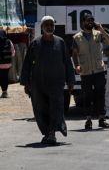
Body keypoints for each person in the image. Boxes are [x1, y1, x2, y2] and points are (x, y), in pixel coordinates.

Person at [20, 16, 75, 145]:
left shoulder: (60, 42)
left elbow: (67, 62)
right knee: (40, 108)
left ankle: (52, 133)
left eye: (51, 25)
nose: (50, 27)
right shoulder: (35, 43)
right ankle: (47, 132)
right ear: (42, 27)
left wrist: (71, 80)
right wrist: (26, 82)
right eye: (47, 25)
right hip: (38, 83)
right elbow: (27, 63)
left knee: (56, 108)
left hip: (56, 83)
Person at [72, 13, 109, 130]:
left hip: (99, 70)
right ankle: (88, 119)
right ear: (82, 22)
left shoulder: (98, 34)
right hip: (85, 71)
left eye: (92, 20)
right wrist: (77, 65)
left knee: (100, 95)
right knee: (87, 96)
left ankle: (101, 119)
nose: (90, 22)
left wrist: (101, 29)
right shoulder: (77, 37)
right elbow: (74, 54)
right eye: (87, 20)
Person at [0, 30, 15, 98]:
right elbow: (13, 52)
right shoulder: (9, 41)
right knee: (5, 77)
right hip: (7, 63)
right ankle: (4, 92)